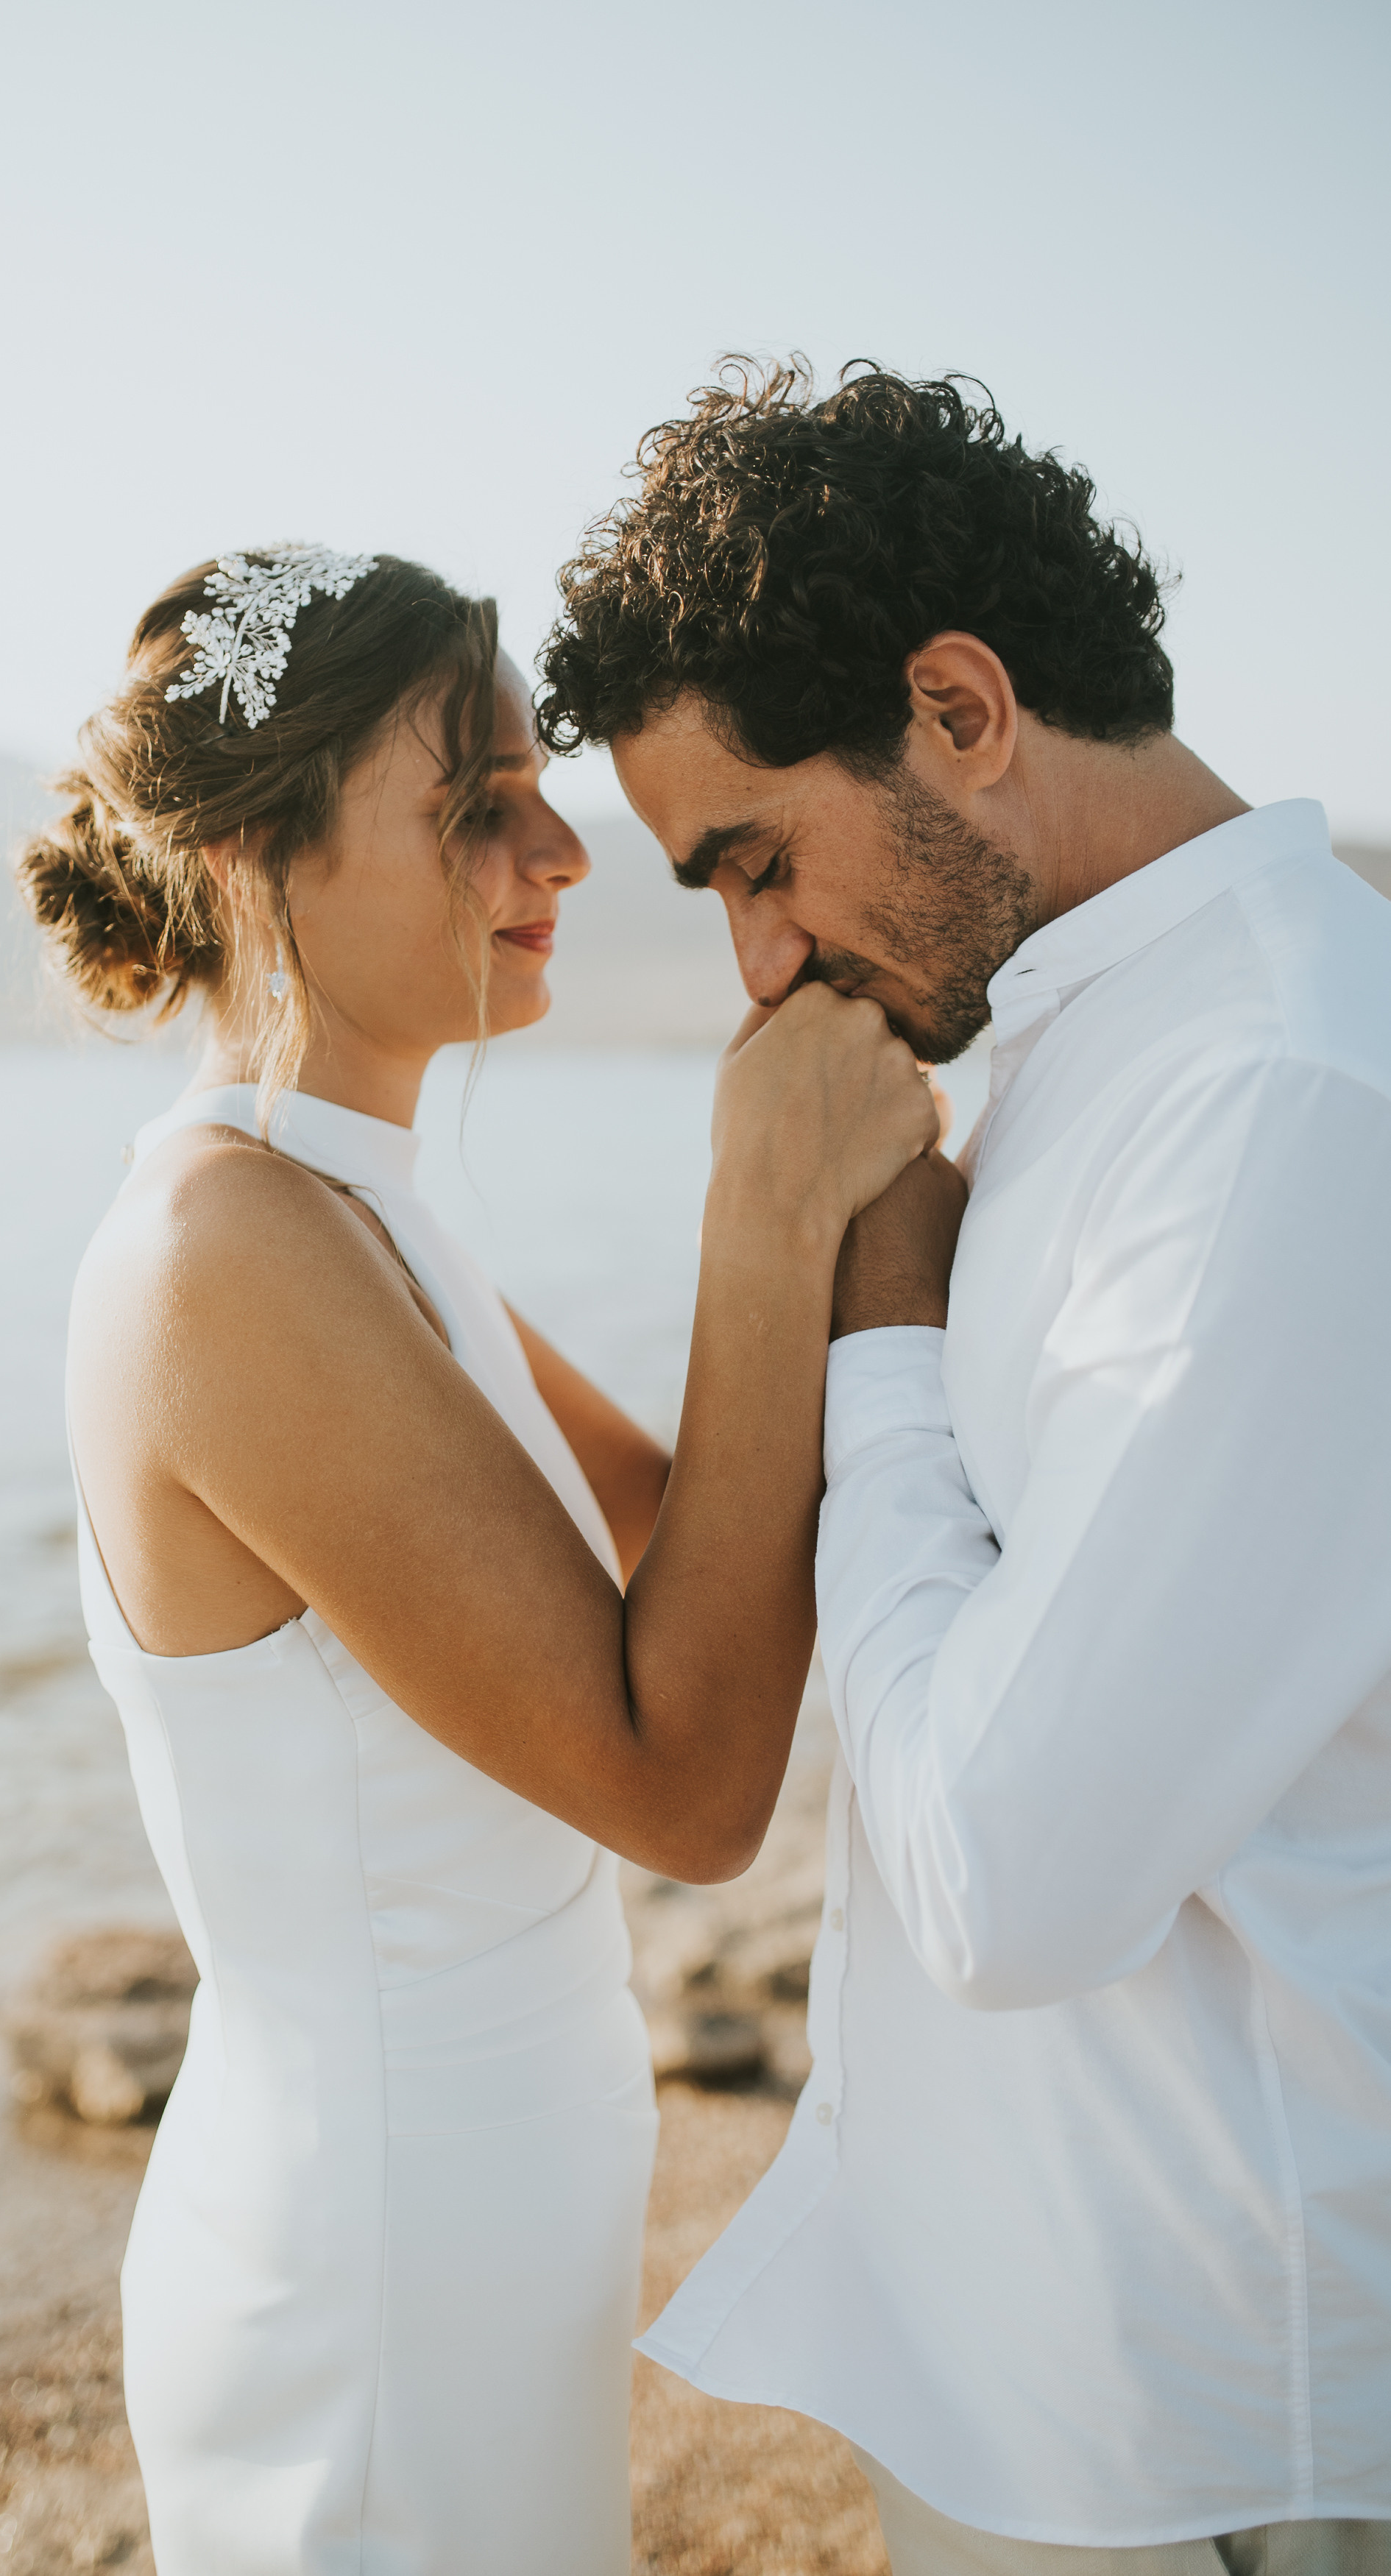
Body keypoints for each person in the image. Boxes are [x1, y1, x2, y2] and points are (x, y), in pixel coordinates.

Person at [537, 363, 1391, 2572]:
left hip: (1220, 2438)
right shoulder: (1101, 1042)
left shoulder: (1278, 1101)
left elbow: (1006, 1883)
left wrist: (885, 1328)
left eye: (753, 859)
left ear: (960, 706)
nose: (753, 958)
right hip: (1061, 2377)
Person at [16, 545, 935, 2575]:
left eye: (537, 780)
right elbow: (687, 1784)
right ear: (260, 855)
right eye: (473, 805)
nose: (562, 847)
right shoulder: (227, 1255)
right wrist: (759, 1201)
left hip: (480, 2210)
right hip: (375, 2271)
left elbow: (705, 1525)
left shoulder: (352, 1207)